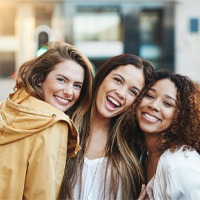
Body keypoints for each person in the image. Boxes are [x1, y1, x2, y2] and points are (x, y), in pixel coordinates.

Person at [0, 41, 94, 199]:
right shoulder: (54, 124)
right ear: (39, 78)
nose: (69, 92)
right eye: (61, 80)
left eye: (77, 85)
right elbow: (43, 194)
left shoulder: (6, 109)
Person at [59, 53, 155, 200]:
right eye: (117, 80)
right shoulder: (62, 126)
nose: (121, 93)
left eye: (133, 92)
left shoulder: (135, 150)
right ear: (102, 77)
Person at [125, 70, 200, 199]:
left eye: (167, 104)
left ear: (182, 116)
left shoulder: (180, 166)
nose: (154, 105)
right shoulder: (143, 154)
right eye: (150, 96)